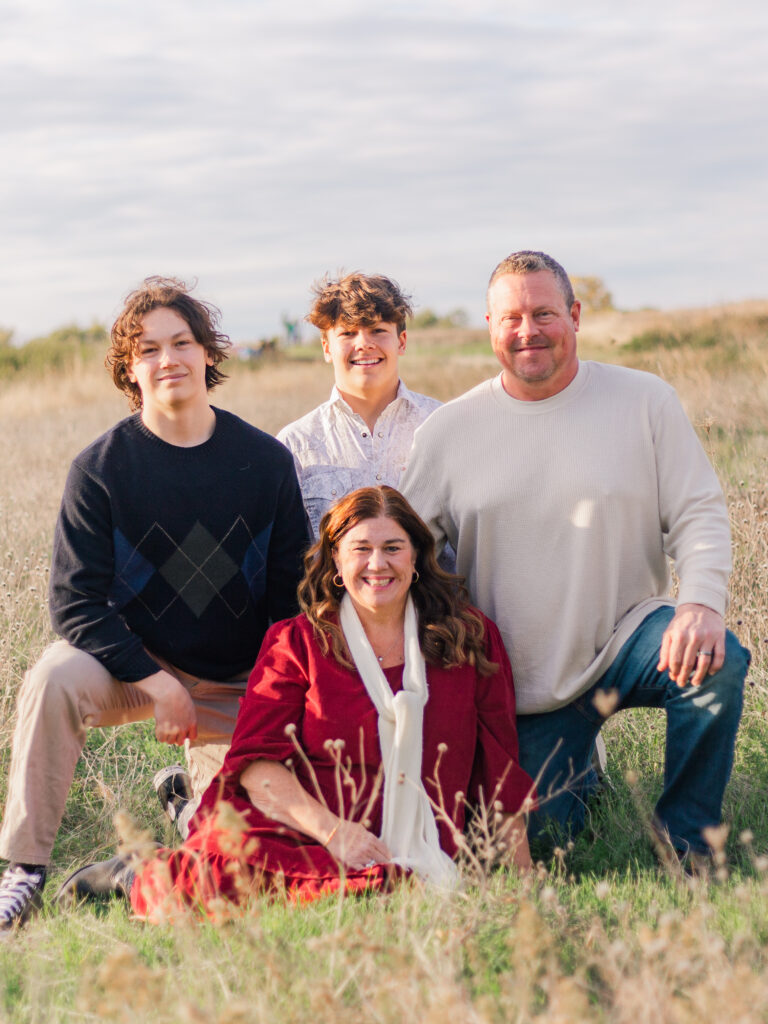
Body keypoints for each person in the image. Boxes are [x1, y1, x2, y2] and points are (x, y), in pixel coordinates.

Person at [401, 250, 749, 863]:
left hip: (631, 636)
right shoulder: (450, 433)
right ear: (489, 324)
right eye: (510, 317)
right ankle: (582, 771)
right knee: (545, 842)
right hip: (525, 680)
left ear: (576, 315)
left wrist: (699, 603)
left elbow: (699, 511)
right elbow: (408, 551)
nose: (527, 331)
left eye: (543, 313)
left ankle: (688, 840)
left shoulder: (644, 401)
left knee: (717, 664)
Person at [58, 487, 534, 917]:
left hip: (419, 840)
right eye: (360, 550)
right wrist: (334, 833)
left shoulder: (468, 640)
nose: (377, 564)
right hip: (305, 828)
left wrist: (523, 872)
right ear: (337, 566)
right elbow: (256, 765)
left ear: (416, 559)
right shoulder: (297, 642)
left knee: (384, 888)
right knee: (212, 884)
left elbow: (500, 762)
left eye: (393, 548)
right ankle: (135, 871)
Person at [0, 277, 309, 929]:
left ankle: (170, 827)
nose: (167, 359)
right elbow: (74, 602)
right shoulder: (101, 469)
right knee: (53, 677)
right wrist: (159, 683)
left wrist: (266, 702)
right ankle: (23, 870)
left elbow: (290, 609)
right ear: (129, 370)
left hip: (234, 683)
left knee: (244, 869)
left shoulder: (266, 463)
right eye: (149, 350)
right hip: (132, 668)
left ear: (207, 355)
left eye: (182, 343)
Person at [277, 273, 440, 539]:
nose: (364, 344)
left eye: (378, 330)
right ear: (326, 348)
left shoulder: (441, 426)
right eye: (348, 333)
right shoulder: (295, 445)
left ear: (402, 342)